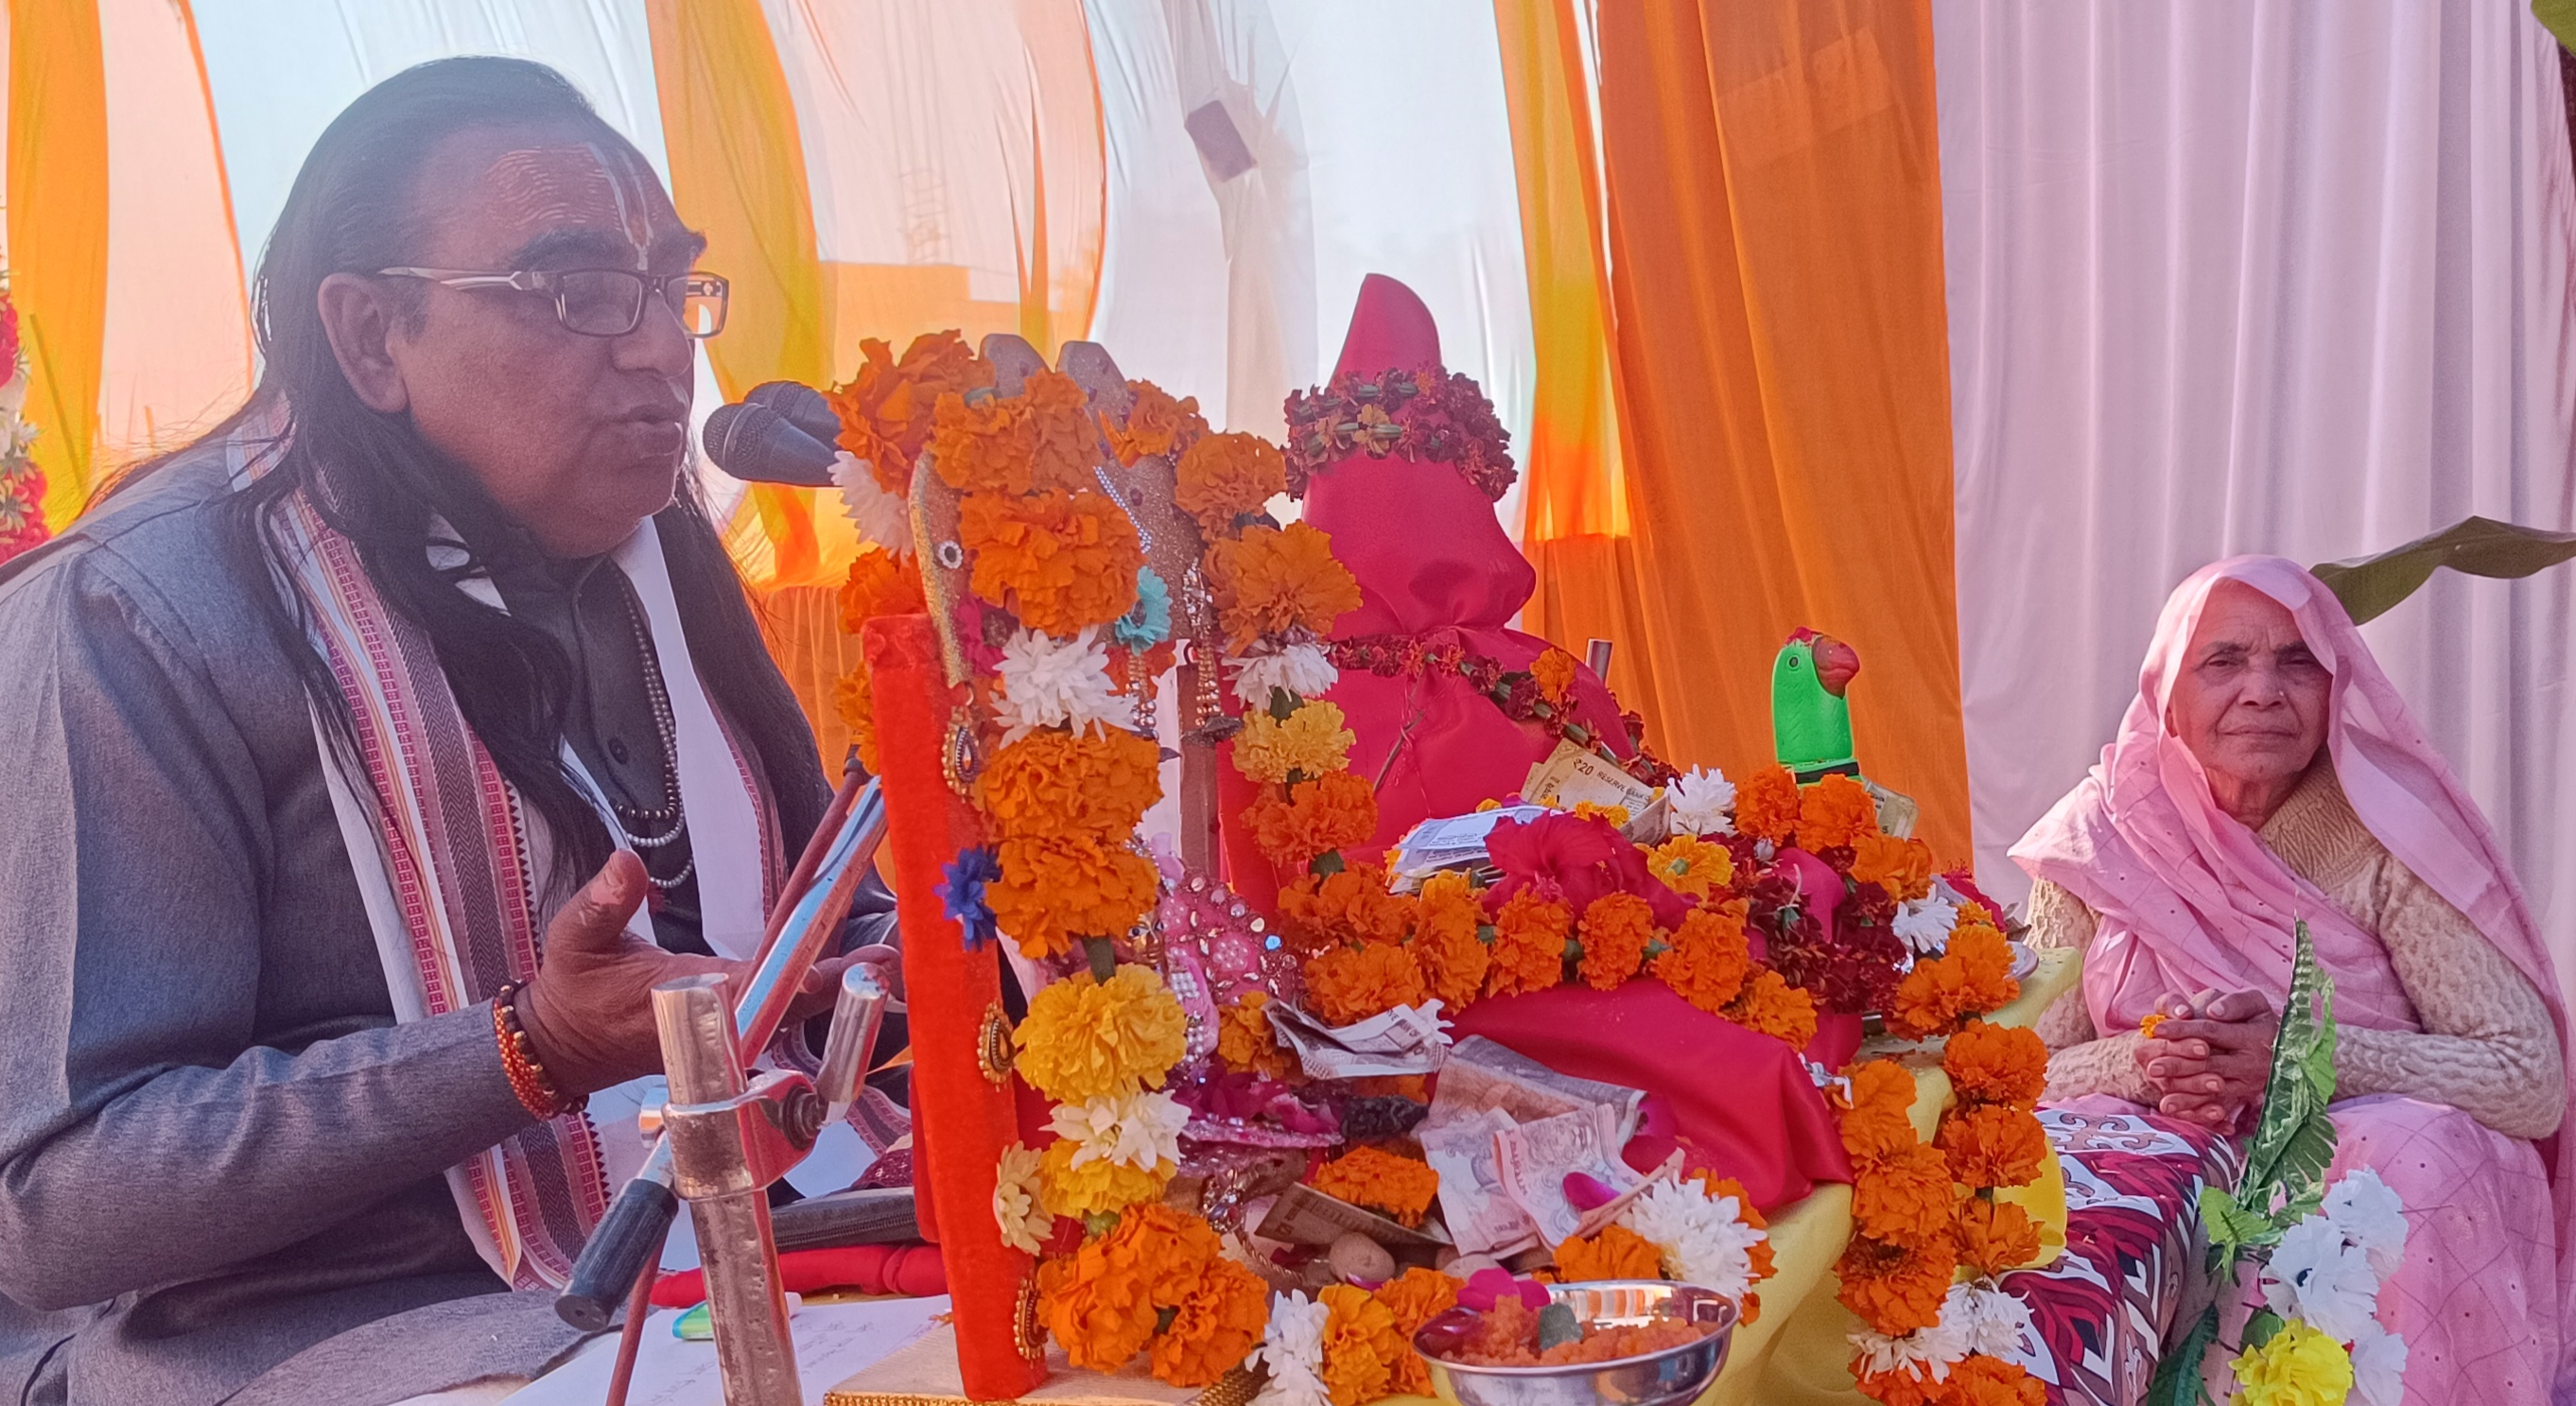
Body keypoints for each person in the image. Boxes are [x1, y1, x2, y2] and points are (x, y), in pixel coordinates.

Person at [0, 59, 894, 1406]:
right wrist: (526, 1048)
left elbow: (815, 918)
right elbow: (64, 1199)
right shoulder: (138, 611)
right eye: (577, 289)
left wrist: (937, 927)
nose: (662, 348)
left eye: (670, 285)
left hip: (756, 1245)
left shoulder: (659, 553)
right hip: (346, 1339)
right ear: (372, 337)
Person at [2014, 555, 2575, 1403]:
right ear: (2167, 692)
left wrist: (2299, 1058)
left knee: (2415, 1150)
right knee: (2059, 1167)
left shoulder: (2388, 835)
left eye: (2297, 661)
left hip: (2351, 1161)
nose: (2263, 691)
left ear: (2336, 686)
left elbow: (2527, 1077)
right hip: (2166, 1162)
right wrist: (2149, 1061)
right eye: (2224, 660)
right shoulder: (2099, 839)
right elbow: (2018, 1076)